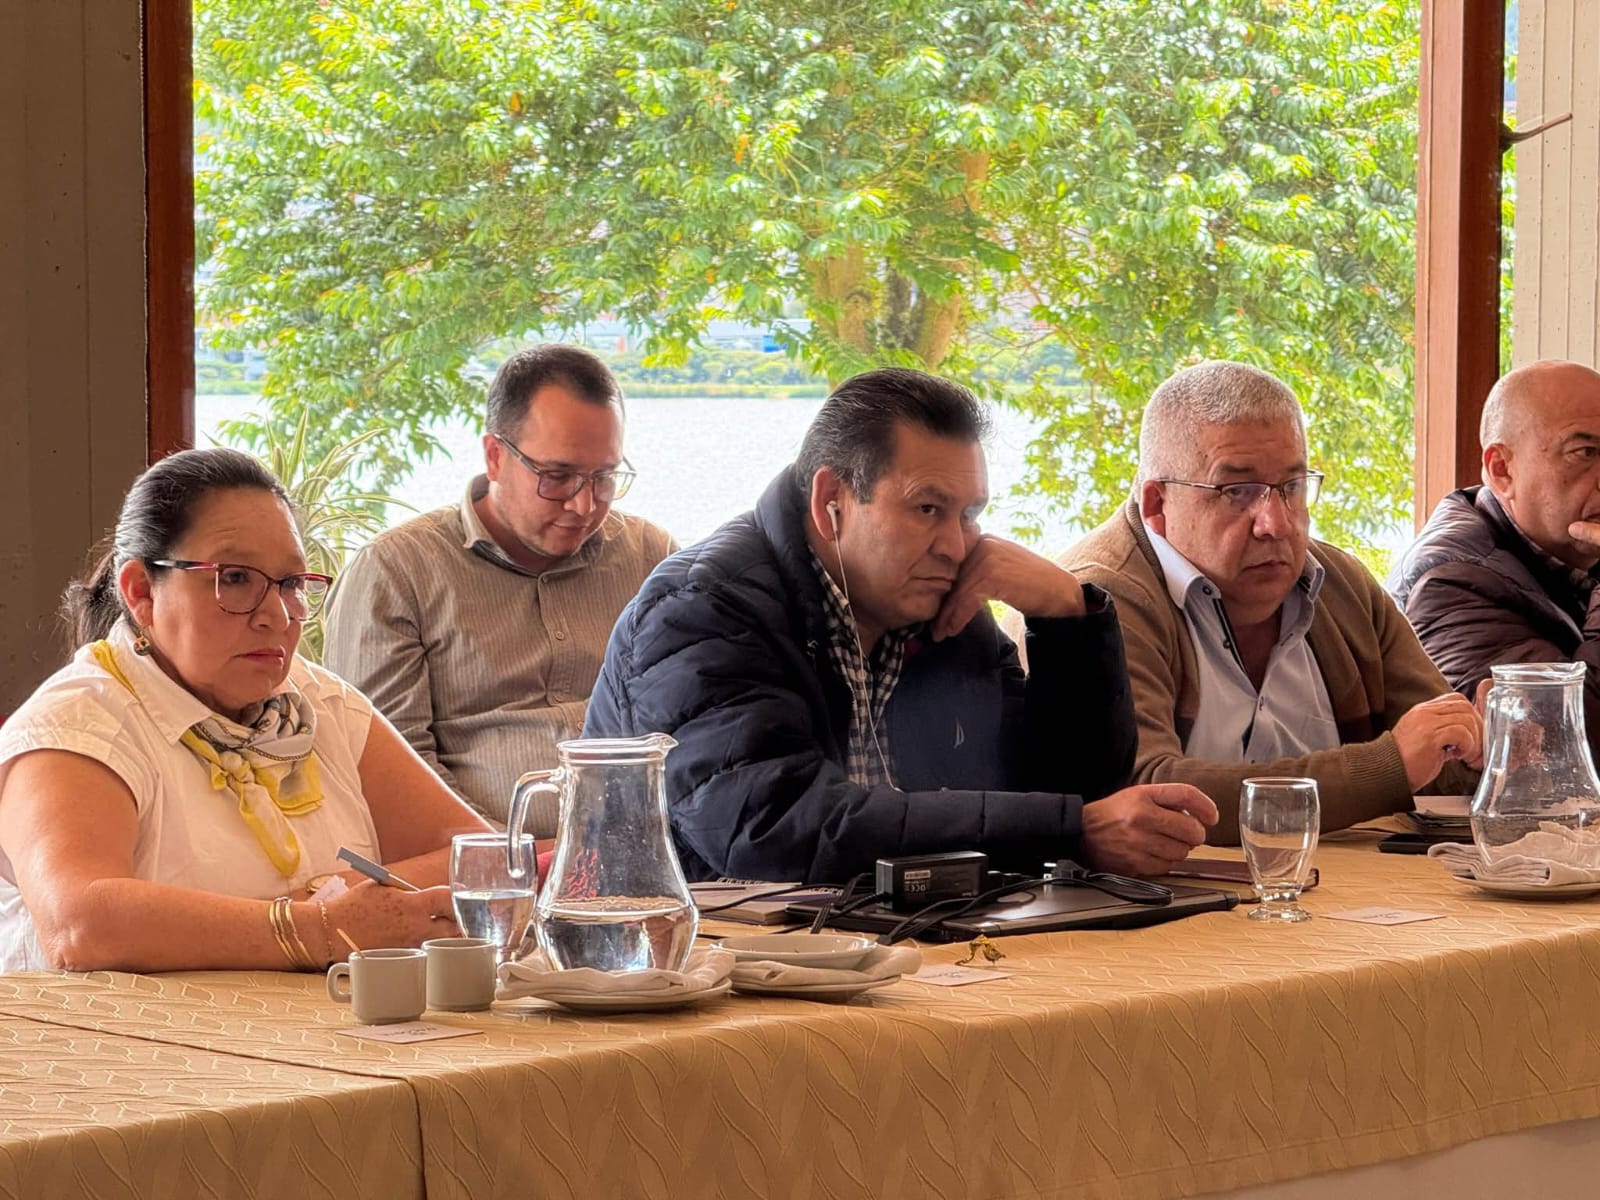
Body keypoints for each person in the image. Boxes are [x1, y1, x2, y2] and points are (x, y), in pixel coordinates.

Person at [583, 367, 1218, 884]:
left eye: (968, 514)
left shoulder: (942, 606)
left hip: (893, 950)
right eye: (927, 508)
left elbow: (1073, 792)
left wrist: (1069, 615)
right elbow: (773, 831)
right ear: (831, 501)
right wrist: (1067, 829)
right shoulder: (704, 609)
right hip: (692, 967)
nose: (956, 544)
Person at [0, 448, 493, 973]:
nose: (276, 616)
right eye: (235, 578)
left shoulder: (316, 700)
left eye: (290, 584)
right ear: (141, 591)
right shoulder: (76, 723)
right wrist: (319, 927)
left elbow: (476, 858)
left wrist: (336, 893)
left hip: (313, 1038)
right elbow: (81, 924)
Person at [1063, 361, 1481, 842]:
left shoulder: (1341, 585)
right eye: (1238, 491)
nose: (1276, 524)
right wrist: (1386, 768)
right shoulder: (1099, 598)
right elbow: (1147, 791)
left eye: (1292, 487)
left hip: (1343, 901)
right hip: (1171, 908)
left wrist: (1493, 743)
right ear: (1157, 503)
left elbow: (1441, 755)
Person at [323, 345, 675, 829]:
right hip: (483, 874)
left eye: (604, 477)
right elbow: (387, 778)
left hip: (652, 856)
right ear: (495, 456)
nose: (584, 505)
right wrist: (513, 862)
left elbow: (700, 720)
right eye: (558, 476)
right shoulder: (395, 572)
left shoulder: (650, 557)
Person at [1391, 360, 1600, 750]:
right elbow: (1558, 750)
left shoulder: (1576, 544)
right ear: (1502, 469)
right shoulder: (1449, 583)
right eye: (1585, 452)